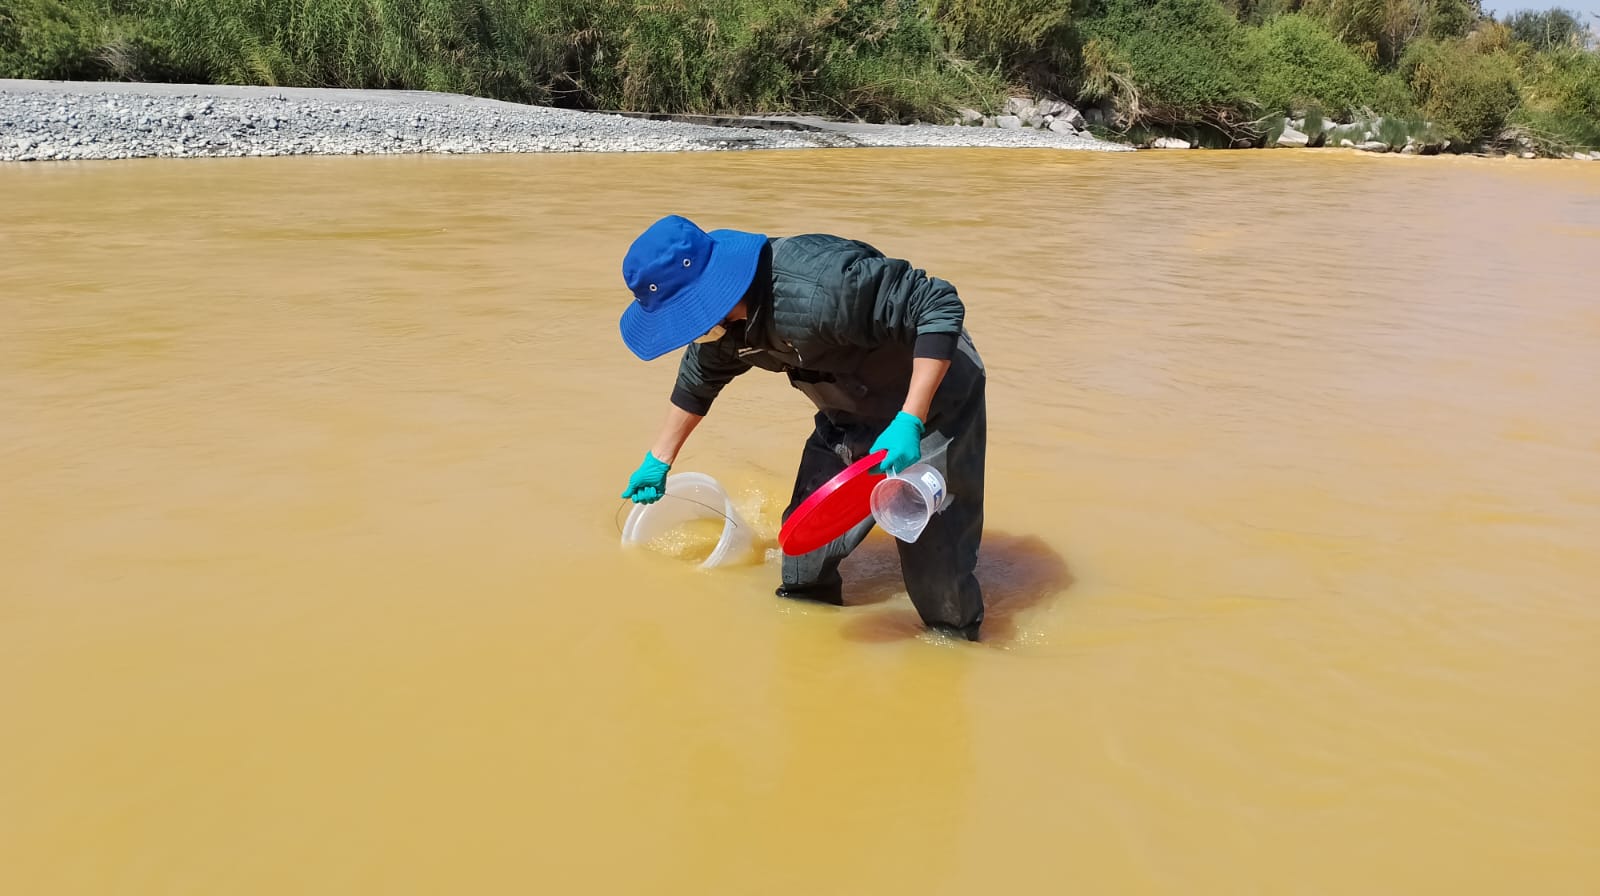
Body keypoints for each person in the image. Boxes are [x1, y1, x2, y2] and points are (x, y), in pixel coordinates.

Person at [615, 214, 988, 641]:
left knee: (934, 568)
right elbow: (697, 383)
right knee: (802, 554)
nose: (685, 331)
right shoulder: (721, 330)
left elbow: (938, 304)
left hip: (931, 402)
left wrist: (910, 418)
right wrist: (658, 459)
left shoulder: (823, 288)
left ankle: (954, 648)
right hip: (847, 412)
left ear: (711, 293)